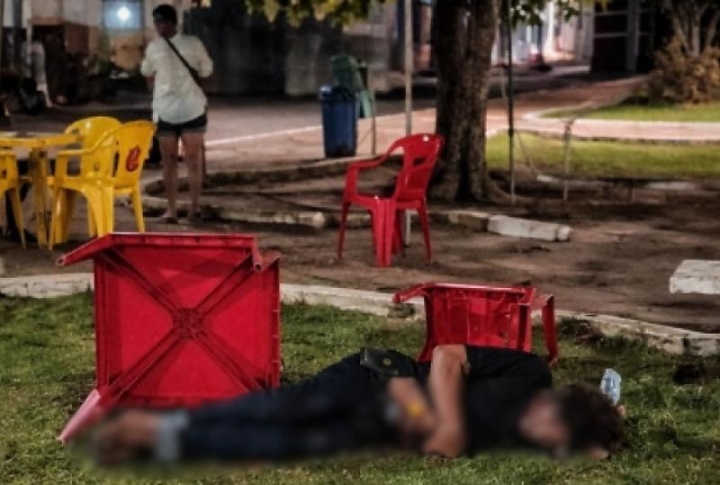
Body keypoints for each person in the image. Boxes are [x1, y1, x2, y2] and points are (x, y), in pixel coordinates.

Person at [92, 346, 624, 465]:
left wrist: (606, 426)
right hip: (383, 383)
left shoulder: (533, 435)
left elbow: (593, 445)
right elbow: (447, 355)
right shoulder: (530, 374)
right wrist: (449, 428)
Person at [140, 4, 213, 224]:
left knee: (179, 162)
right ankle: (184, 209)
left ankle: (183, 209)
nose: (160, 27)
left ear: (172, 23)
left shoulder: (159, 47)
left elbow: (147, 74)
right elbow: (207, 70)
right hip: (182, 108)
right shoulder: (188, 44)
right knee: (182, 161)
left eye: (162, 22)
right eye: (158, 23)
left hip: (176, 109)